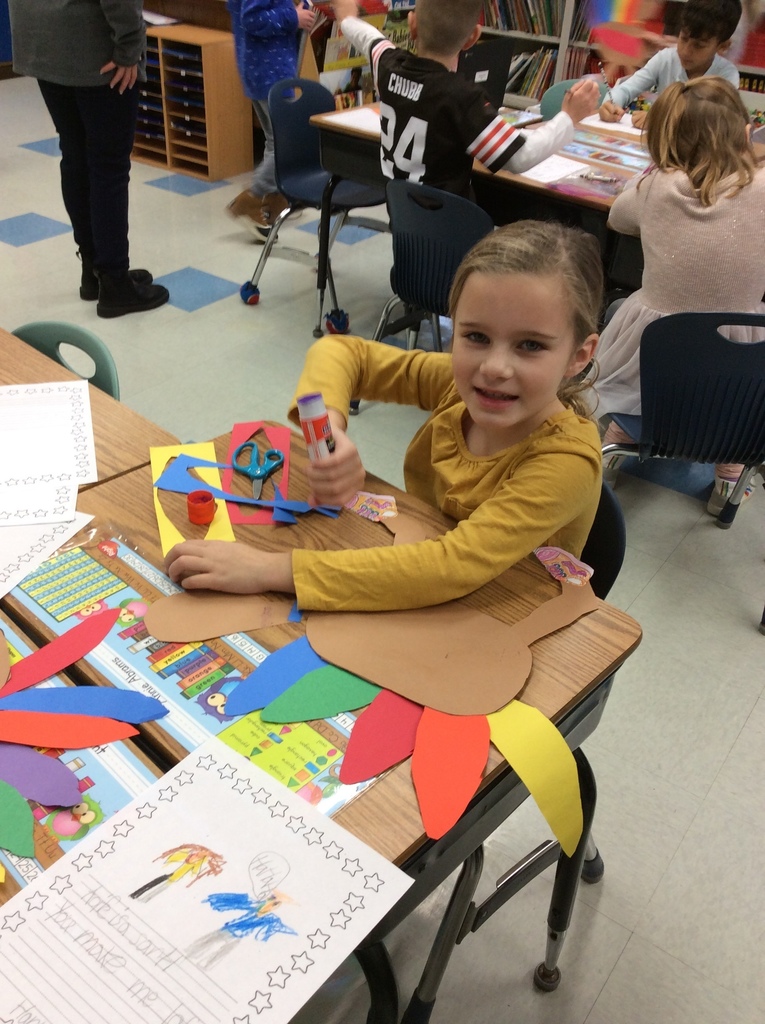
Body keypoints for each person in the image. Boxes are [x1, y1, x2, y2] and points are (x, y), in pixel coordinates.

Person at [165, 220, 602, 612]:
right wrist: (330, 431)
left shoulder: (567, 461)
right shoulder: (460, 387)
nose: (495, 367)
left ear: (579, 355)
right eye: (476, 336)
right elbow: (340, 352)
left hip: (506, 616)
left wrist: (270, 570)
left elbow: (452, 566)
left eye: (530, 345)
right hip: (417, 584)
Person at [592, 77, 765, 514]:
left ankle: (615, 450)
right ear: (743, 132)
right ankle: (729, 476)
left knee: (627, 322)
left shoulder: (655, 188)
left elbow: (617, 217)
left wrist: (655, 172)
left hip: (659, 363)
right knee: (739, 372)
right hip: (741, 372)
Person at [329, 0, 600, 198]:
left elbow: (369, 39)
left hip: (402, 219)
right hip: (453, 231)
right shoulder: (462, 98)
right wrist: (569, 117)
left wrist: (347, 19)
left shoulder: (388, 65)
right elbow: (520, 157)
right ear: (473, 38)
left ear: (412, 24)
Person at [7, 0, 169, 318]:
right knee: (108, 166)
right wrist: (129, 48)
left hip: (41, 40)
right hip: (95, 48)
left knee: (75, 154)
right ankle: (114, 281)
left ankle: (94, 269)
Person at [226, 0, 316, 239]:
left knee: (274, 140)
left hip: (261, 68)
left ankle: (275, 197)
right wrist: (293, 18)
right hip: (270, 71)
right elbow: (252, 18)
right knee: (287, 143)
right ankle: (252, 198)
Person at [599, 0, 741, 127]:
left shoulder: (726, 75)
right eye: (683, 38)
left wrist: (660, 120)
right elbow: (626, 89)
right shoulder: (666, 59)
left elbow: (716, 121)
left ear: (723, 46)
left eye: (699, 46)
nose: (686, 51)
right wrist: (610, 104)